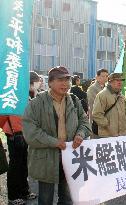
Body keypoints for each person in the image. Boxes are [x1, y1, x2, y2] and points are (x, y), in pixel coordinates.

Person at [22, 66, 91, 205]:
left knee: (67, 197)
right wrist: (54, 142)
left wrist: (80, 134)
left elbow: (84, 122)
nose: (65, 83)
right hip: (46, 157)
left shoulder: (74, 100)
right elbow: (30, 132)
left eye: (67, 80)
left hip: (70, 155)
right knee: (46, 198)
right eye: (60, 80)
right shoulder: (37, 103)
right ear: (50, 83)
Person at [0, 71, 40, 205]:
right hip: (14, 134)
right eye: (36, 82)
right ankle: (13, 195)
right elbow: (4, 116)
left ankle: (24, 190)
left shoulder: (29, 95)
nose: (38, 84)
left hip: (24, 133)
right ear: (29, 83)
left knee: (23, 165)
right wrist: (12, 130)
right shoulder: (14, 94)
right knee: (15, 166)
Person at [92, 73, 126, 137]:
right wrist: (107, 125)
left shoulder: (122, 97)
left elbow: (125, 113)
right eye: (117, 80)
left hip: (121, 135)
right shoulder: (102, 95)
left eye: (121, 80)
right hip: (107, 136)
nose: (120, 82)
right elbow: (96, 114)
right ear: (110, 82)